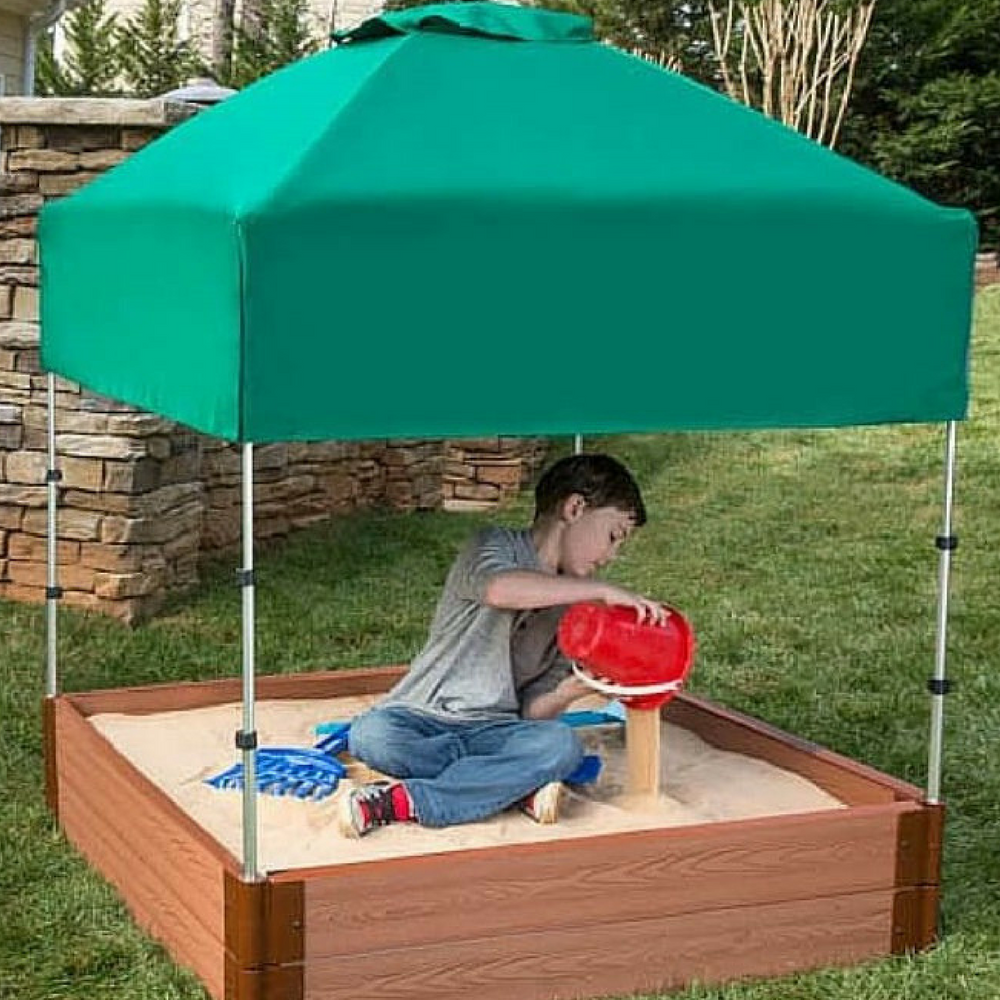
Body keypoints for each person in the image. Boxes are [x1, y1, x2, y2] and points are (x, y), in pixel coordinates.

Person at [339, 452, 665, 837]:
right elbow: (500, 589)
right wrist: (604, 592)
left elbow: (533, 713)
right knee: (371, 736)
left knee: (560, 745)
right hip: (419, 717)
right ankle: (510, 788)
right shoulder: (492, 544)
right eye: (613, 536)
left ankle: (406, 801)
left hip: (496, 730)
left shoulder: (577, 613)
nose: (612, 556)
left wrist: (569, 691)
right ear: (575, 507)